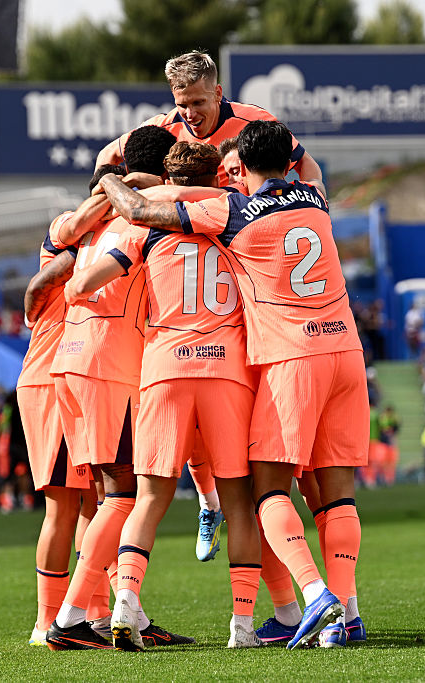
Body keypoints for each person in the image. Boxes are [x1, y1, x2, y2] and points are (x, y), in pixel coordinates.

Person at [98, 120, 368, 649]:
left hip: (290, 357)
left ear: (240, 169)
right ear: (289, 163)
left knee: (267, 489)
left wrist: (109, 176)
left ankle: (315, 600)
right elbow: (306, 164)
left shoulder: (232, 211)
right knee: (338, 497)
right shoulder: (315, 197)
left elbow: (138, 210)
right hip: (348, 352)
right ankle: (348, 613)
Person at [65, 141, 262, 649]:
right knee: (238, 501)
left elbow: (81, 284)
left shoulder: (144, 226)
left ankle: (126, 604)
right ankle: (242, 626)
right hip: (226, 371)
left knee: (148, 499)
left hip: (166, 366)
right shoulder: (234, 215)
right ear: (216, 174)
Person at [42, 126, 193, 651]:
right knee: (124, 493)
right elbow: (84, 283)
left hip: (72, 359)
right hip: (110, 364)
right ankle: (68, 619)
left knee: (108, 496)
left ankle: (121, 615)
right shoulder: (143, 212)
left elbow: (57, 269)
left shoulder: (94, 211)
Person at [17, 207, 98, 648]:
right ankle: (48, 620)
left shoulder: (94, 252)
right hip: (53, 382)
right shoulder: (71, 244)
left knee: (96, 502)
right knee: (66, 507)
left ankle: (92, 613)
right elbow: (42, 280)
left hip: (73, 380)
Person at [95, 51, 324, 190]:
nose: (190, 114)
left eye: (198, 103)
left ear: (217, 92)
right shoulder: (161, 129)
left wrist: (315, 200)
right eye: (181, 105)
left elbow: (306, 165)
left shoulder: (254, 122)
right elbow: (107, 155)